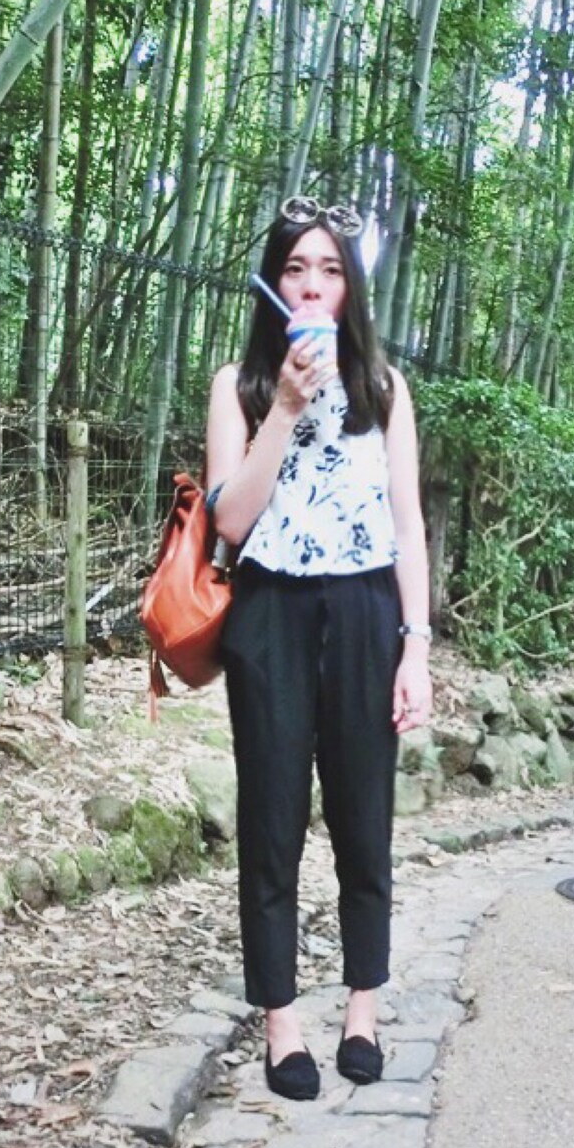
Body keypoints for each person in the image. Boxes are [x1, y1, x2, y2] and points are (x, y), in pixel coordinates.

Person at [205, 194, 433, 1101]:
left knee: (362, 819)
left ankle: (363, 1009)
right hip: (270, 611)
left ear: (350, 288)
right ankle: (281, 1022)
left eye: (331, 269)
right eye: (296, 268)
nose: (311, 284)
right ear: (275, 283)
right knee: (271, 822)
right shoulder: (240, 385)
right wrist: (287, 409)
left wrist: (415, 648)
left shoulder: (383, 388)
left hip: (366, 609)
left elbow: (407, 527)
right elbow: (229, 520)